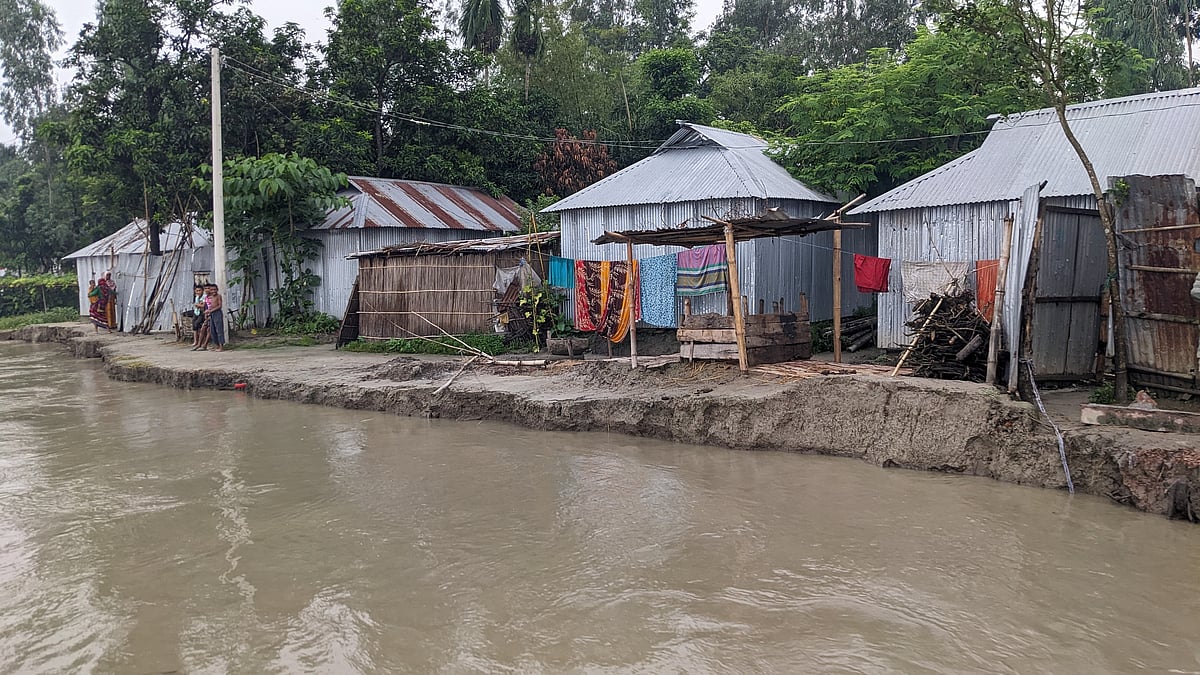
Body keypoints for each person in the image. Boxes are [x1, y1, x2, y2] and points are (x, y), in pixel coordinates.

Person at [198, 283, 226, 352]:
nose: (213, 291)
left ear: (217, 290)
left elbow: (219, 306)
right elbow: (209, 306)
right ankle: (217, 345)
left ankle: (221, 346)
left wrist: (211, 311)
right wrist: (207, 311)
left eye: (215, 289)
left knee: (219, 330)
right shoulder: (210, 298)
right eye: (212, 290)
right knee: (212, 331)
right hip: (211, 314)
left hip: (217, 314)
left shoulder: (218, 296)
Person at [190, 284, 206, 348]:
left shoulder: (204, 297)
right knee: (194, 326)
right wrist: (198, 305)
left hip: (201, 313)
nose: (198, 292)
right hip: (196, 312)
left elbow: (203, 306)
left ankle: (201, 341)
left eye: (199, 290)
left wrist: (198, 305)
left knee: (199, 325)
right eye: (197, 291)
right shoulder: (196, 297)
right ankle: (195, 341)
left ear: (202, 291)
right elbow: (197, 305)